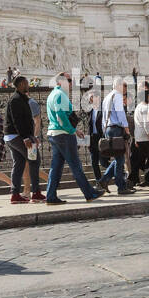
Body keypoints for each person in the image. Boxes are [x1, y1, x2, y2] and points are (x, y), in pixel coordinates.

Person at [44, 72, 103, 204]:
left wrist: (75, 130)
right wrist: (72, 130)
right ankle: (90, 193)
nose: (71, 84)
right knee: (76, 165)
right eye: (69, 80)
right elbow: (61, 116)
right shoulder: (60, 95)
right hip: (63, 135)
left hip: (54, 134)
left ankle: (51, 196)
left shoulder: (52, 94)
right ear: (60, 82)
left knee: (56, 167)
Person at [4, 76, 44, 203]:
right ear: (21, 84)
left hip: (14, 136)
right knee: (34, 160)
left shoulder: (21, 99)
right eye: (27, 83)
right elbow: (18, 121)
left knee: (19, 163)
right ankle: (36, 193)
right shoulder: (16, 100)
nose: (28, 85)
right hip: (18, 136)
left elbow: (27, 121)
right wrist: (26, 137)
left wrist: (32, 136)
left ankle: (15, 195)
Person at [100, 77, 134, 194]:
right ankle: (121, 187)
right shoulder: (118, 96)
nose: (125, 89)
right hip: (116, 129)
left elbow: (104, 117)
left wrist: (104, 130)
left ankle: (104, 180)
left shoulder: (107, 97)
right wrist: (127, 129)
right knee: (120, 159)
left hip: (108, 129)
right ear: (119, 86)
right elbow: (121, 114)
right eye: (124, 86)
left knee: (118, 158)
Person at [129, 93, 149, 189]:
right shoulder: (146, 108)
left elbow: (136, 124)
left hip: (140, 138)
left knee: (141, 160)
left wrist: (136, 139)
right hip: (147, 138)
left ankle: (134, 179)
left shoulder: (138, 107)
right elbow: (146, 125)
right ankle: (148, 179)